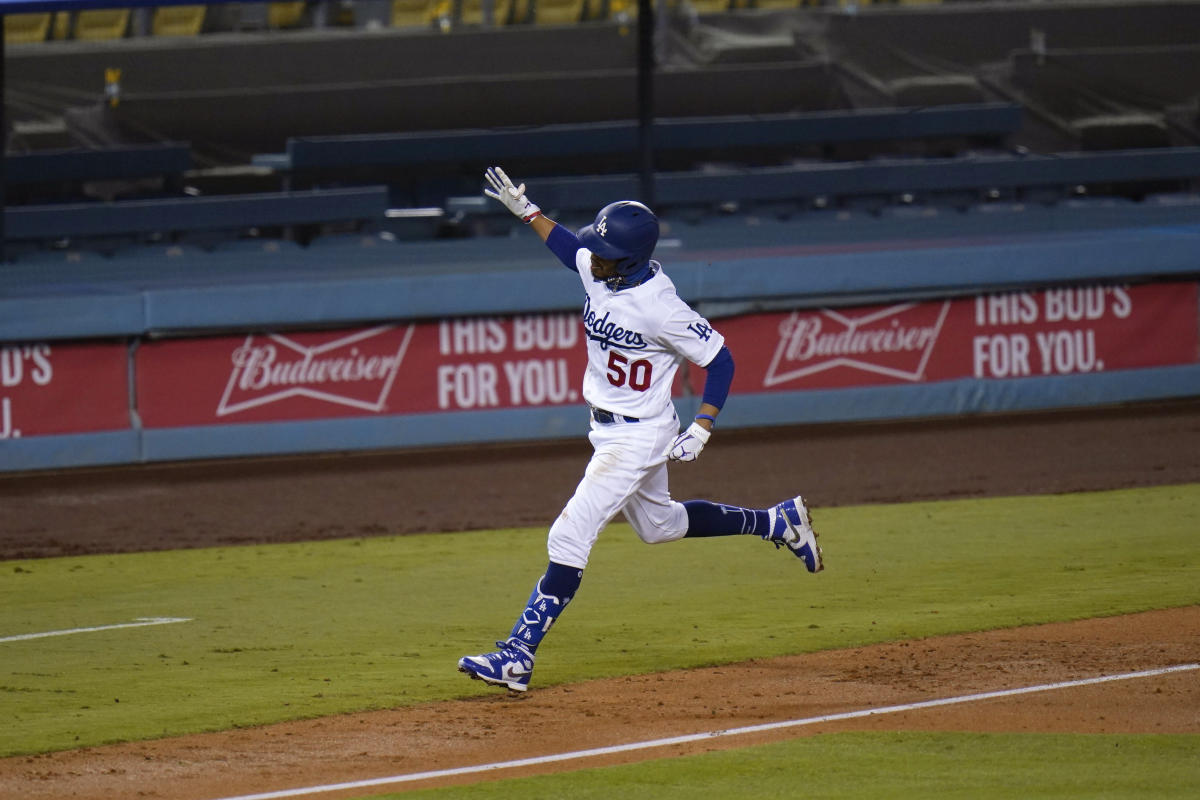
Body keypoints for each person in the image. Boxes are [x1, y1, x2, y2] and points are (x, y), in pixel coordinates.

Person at [457, 166, 823, 693]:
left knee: (569, 535)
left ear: (628, 260)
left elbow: (720, 361)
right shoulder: (602, 268)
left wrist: (704, 424)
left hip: (639, 435)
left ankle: (517, 655)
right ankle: (778, 522)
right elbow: (570, 251)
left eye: (603, 254)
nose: (593, 258)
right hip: (608, 429)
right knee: (660, 526)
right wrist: (529, 212)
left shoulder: (661, 307)